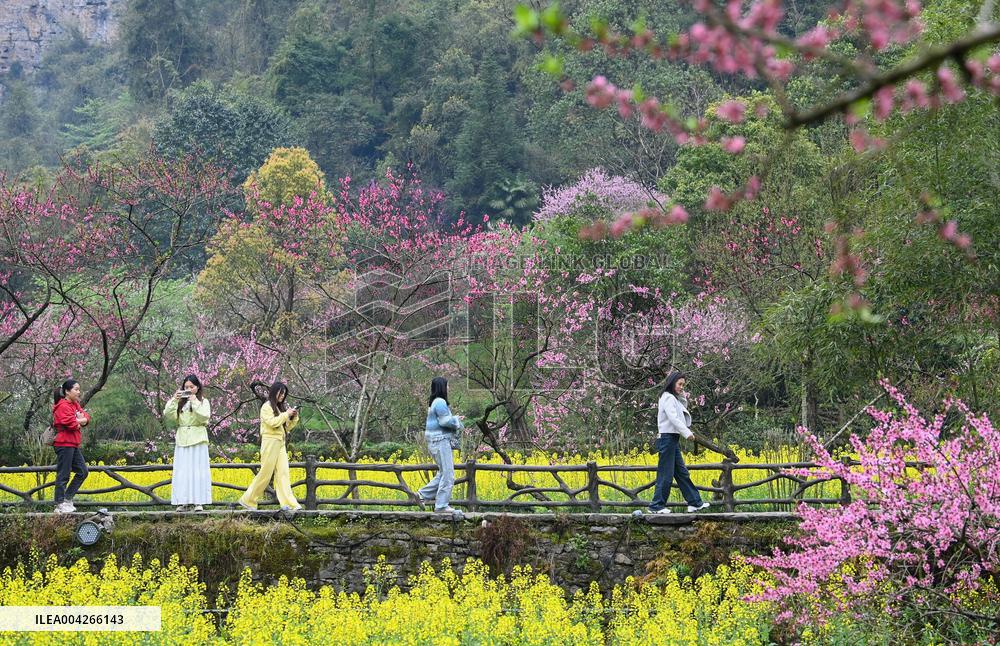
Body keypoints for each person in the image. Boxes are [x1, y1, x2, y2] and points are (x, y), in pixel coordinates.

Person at [648, 371, 711, 514]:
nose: (682, 387)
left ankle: (695, 502)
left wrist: (681, 394)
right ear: (672, 383)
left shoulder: (672, 397)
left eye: (683, 384)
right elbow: (673, 418)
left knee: (682, 473)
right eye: (680, 384)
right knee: (666, 474)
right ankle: (656, 505)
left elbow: (681, 408)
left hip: (672, 439)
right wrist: (687, 433)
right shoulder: (667, 397)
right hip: (667, 438)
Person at [239, 381, 301, 511]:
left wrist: (293, 418)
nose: (282, 396)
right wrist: (286, 415)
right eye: (280, 392)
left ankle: (288, 504)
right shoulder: (266, 407)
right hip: (270, 442)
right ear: (274, 392)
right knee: (265, 473)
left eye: (284, 393)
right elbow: (272, 423)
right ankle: (248, 500)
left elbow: (286, 427)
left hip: (280, 442)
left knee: (283, 473)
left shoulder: (280, 408)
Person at [163, 374, 212, 512]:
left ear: (197, 387)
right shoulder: (180, 403)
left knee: (198, 471)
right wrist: (174, 399)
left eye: (192, 387)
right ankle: (182, 501)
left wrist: (194, 401)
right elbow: (168, 414)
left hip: (198, 439)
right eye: (186, 387)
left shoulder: (204, 401)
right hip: (183, 439)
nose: (189, 389)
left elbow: (204, 416)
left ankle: (199, 501)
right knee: (182, 471)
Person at [418, 377, 464, 514]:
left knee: (443, 473)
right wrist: (456, 420)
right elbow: (445, 422)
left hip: (435, 442)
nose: (448, 388)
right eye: (447, 386)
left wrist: (453, 418)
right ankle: (442, 506)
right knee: (449, 475)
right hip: (440, 441)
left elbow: (441, 421)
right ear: (442, 387)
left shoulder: (434, 402)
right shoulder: (440, 402)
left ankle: (422, 495)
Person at [51, 379, 91, 514]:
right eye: (76, 389)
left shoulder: (74, 404)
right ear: (67, 391)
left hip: (73, 443)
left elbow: (86, 417)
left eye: (79, 389)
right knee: (63, 474)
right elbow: (72, 424)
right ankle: (59, 503)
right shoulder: (62, 406)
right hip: (64, 444)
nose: (79, 392)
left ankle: (67, 499)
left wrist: (81, 420)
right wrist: (80, 421)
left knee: (82, 471)